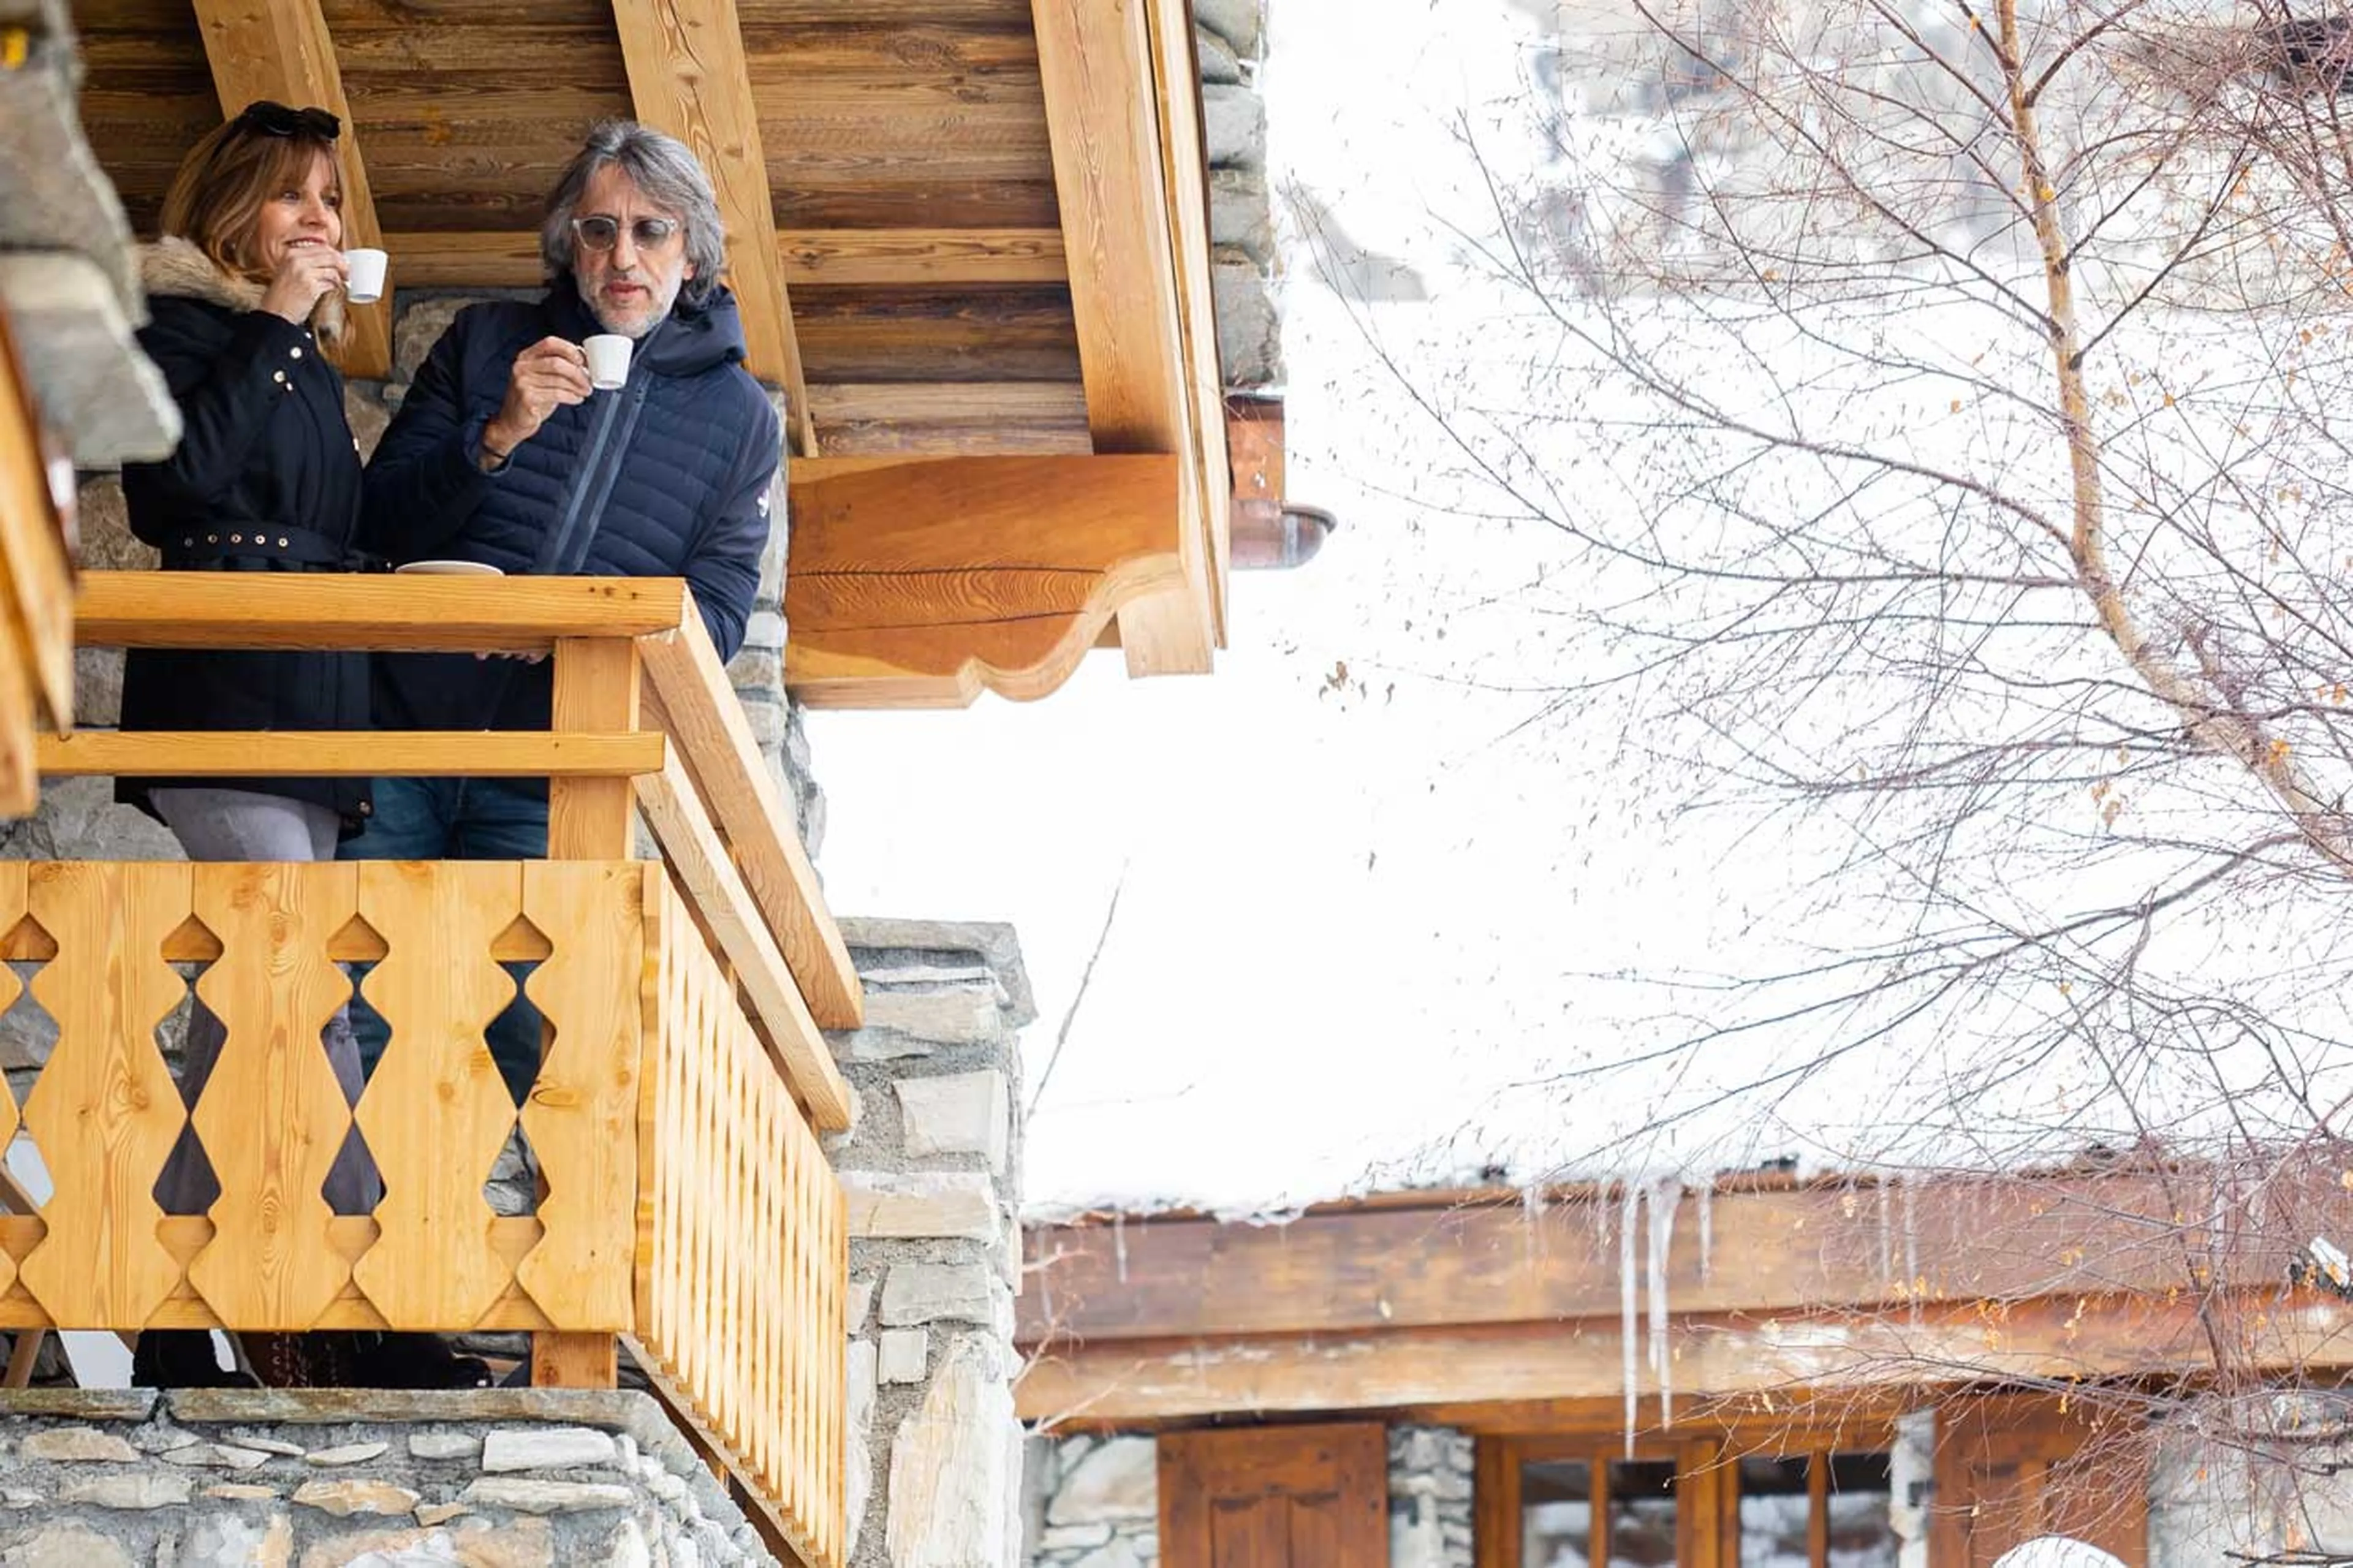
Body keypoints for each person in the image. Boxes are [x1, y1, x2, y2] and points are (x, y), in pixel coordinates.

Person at [347, 121, 776, 1373]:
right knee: (357, 991)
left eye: (650, 231)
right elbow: (379, 516)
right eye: (600, 230)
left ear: (692, 252)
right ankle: (346, 1291)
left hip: (554, 763)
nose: (623, 255)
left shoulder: (739, 418)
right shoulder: (487, 345)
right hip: (410, 725)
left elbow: (722, 610)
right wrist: (499, 435)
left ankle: (473, 1296)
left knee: (520, 1026)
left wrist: (589, 635)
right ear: (568, 247)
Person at [116, 100, 379, 1391]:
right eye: (293, 194)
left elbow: (347, 528)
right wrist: (277, 318)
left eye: (330, 200)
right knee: (300, 997)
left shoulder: (305, 362)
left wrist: (497, 441)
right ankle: (349, 1306)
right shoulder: (178, 325)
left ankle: (172, 1313)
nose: (318, 220)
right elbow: (169, 489)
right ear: (233, 207)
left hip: (316, 708)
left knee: (250, 1007)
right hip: (223, 698)